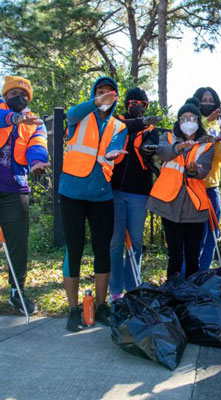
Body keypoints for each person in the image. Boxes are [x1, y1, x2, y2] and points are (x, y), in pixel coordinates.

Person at [59, 77, 128, 331]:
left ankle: (100, 307)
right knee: (74, 248)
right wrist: (95, 102)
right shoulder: (80, 116)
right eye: (100, 92)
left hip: (101, 195)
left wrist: (113, 155)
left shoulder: (119, 126)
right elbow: (71, 113)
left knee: (103, 249)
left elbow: (116, 149)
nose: (105, 97)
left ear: (116, 97)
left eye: (109, 93)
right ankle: (73, 310)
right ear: (94, 94)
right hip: (72, 192)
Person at [147, 99, 214, 278]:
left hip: (194, 206)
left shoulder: (207, 144)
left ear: (199, 122)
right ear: (178, 122)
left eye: (192, 118)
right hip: (170, 204)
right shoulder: (168, 137)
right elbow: (161, 152)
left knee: (193, 256)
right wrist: (179, 147)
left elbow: (204, 169)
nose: (188, 122)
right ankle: (173, 292)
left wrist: (194, 169)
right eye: (183, 119)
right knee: (174, 256)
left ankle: (190, 297)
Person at [0, 76, 49, 314]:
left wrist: (38, 162)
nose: (17, 97)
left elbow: (38, 144)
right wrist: (14, 117)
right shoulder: (3, 111)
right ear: (4, 95)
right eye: (12, 94)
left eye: (23, 94)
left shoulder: (34, 121)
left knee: (18, 243)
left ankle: (16, 292)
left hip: (15, 187)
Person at [109, 87, 160, 302]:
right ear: (127, 104)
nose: (138, 106)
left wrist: (149, 149)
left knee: (136, 243)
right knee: (115, 243)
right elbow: (115, 134)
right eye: (133, 102)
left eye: (142, 104)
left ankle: (133, 288)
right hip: (115, 192)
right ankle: (115, 291)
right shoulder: (116, 123)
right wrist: (136, 125)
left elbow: (153, 146)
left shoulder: (152, 129)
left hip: (139, 194)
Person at [192, 87, 221, 270]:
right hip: (192, 187)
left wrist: (218, 142)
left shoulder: (219, 126)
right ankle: (189, 273)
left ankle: (204, 272)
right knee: (194, 236)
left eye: (210, 100)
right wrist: (206, 122)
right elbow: (191, 136)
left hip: (211, 187)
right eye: (203, 100)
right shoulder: (188, 121)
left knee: (212, 234)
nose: (207, 103)